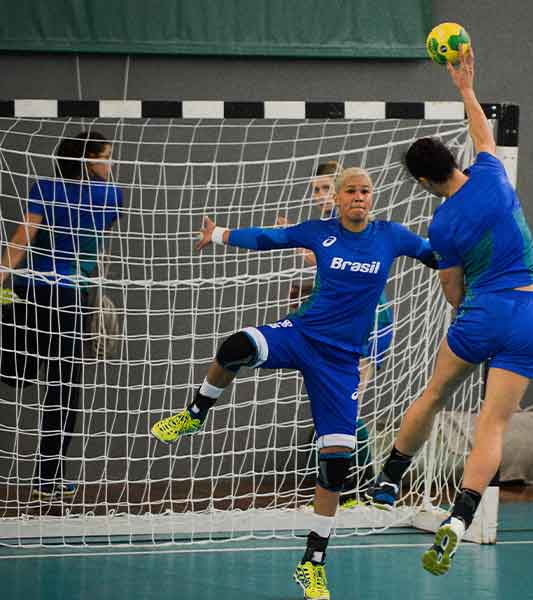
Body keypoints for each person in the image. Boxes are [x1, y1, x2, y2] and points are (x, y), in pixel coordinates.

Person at [151, 167, 438, 600]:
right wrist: (221, 235)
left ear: (371, 197)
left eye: (365, 191)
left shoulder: (390, 236)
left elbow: (436, 254)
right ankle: (193, 415)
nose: (359, 197)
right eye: (351, 192)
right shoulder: (319, 232)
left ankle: (312, 564)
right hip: (301, 336)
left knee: (335, 464)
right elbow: (270, 239)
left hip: (341, 362)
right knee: (235, 347)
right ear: (338, 199)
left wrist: (473, 256)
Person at [366, 49, 533, 576]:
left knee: (435, 393)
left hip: (480, 313)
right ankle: (460, 519)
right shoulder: (492, 173)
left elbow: (451, 292)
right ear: (454, 158)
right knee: (493, 424)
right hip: (530, 314)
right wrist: (466, 86)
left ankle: (389, 478)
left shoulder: (442, 228)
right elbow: (482, 132)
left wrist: (470, 308)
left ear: (424, 182)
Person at [0, 130, 122, 501]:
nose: (110, 164)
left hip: (46, 295)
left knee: (53, 385)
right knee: (56, 387)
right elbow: (27, 238)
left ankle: (49, 477)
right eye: (105, 156)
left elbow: (24, 241)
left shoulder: (59, 189)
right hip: (56, 297)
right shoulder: (110, 196)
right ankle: (49, 476)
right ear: (85, 161)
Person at [279, 160, 392, 509]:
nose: (320, 196)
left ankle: (367, 486)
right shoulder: (327, 229)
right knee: (335, 407)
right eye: (315, 190)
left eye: (327, 188)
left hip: (367, 326)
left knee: (345, 409)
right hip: (342, 328)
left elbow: (326, 261)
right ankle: (347, 491)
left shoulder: (357, 229)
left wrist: (294, 242)